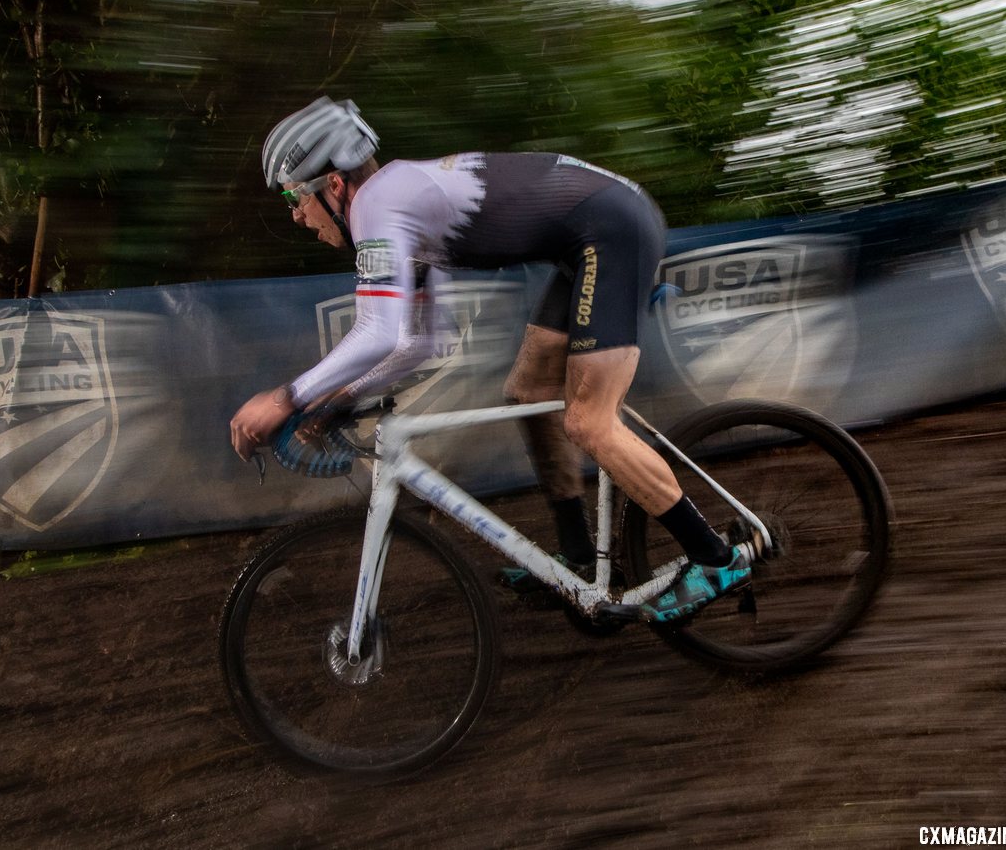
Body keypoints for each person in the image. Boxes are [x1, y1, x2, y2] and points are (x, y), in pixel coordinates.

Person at [229, 96, 752, 623]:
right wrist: (339, 399)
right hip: (592, 236)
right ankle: (574, 557)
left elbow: (377, 330)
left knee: (588, 422)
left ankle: (714, 558)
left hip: (612, 232)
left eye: (296, 196)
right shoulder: (396, 207)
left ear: (334, 185)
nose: (296, 215)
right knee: (527, 392)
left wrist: (285, 398)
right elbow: (419, 343)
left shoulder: (376, 204)